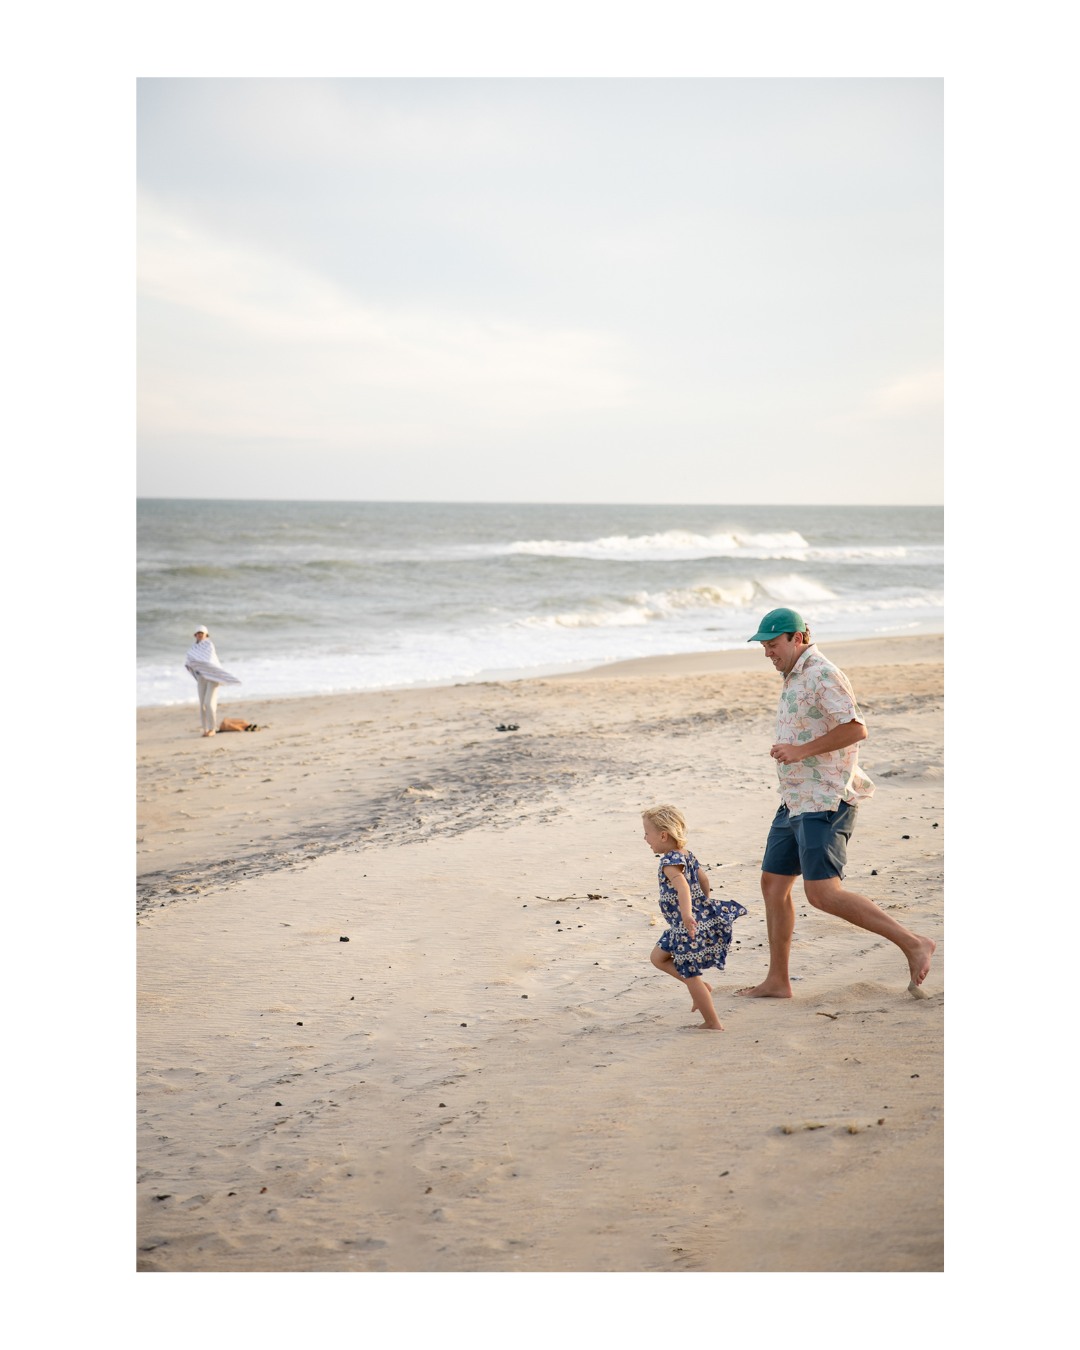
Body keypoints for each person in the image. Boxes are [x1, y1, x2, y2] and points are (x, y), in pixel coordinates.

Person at [738, 607, 935, 999]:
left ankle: (914, 943)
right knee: (773, 885)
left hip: (825, 798)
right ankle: (778, 981)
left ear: (797, 637)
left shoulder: (822, 673)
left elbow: (856, 728)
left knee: (823, 894)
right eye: (763, 646)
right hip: (795, 798)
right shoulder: (794, 673)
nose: (767, 653)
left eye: (772, 644)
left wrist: (801, 750)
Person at [643, 805, 747, 1031]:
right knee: (657, 957)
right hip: (689, 922)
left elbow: (683, 889)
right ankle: (702, 988)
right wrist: (704, 906)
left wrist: (689, 915)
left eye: (647, 833)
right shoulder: (687, 855)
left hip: (685, 926)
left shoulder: (669, 862)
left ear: (663, 835)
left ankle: (712, 1022)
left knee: (690, 973)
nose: (645, 838)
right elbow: (704, 880)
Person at [184, 625, 241, 737]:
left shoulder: (209, 645)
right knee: (202, 705)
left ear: (206, 635)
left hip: (213, 676)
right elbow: (190, 662)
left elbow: (208, 660)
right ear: (195, 635)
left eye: (202, 633)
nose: (200, 635)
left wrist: (200, 664)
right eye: (198, 633)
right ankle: (205, 729)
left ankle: (213, 729)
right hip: (201, 677)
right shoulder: (193, 649)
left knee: (208, 703)